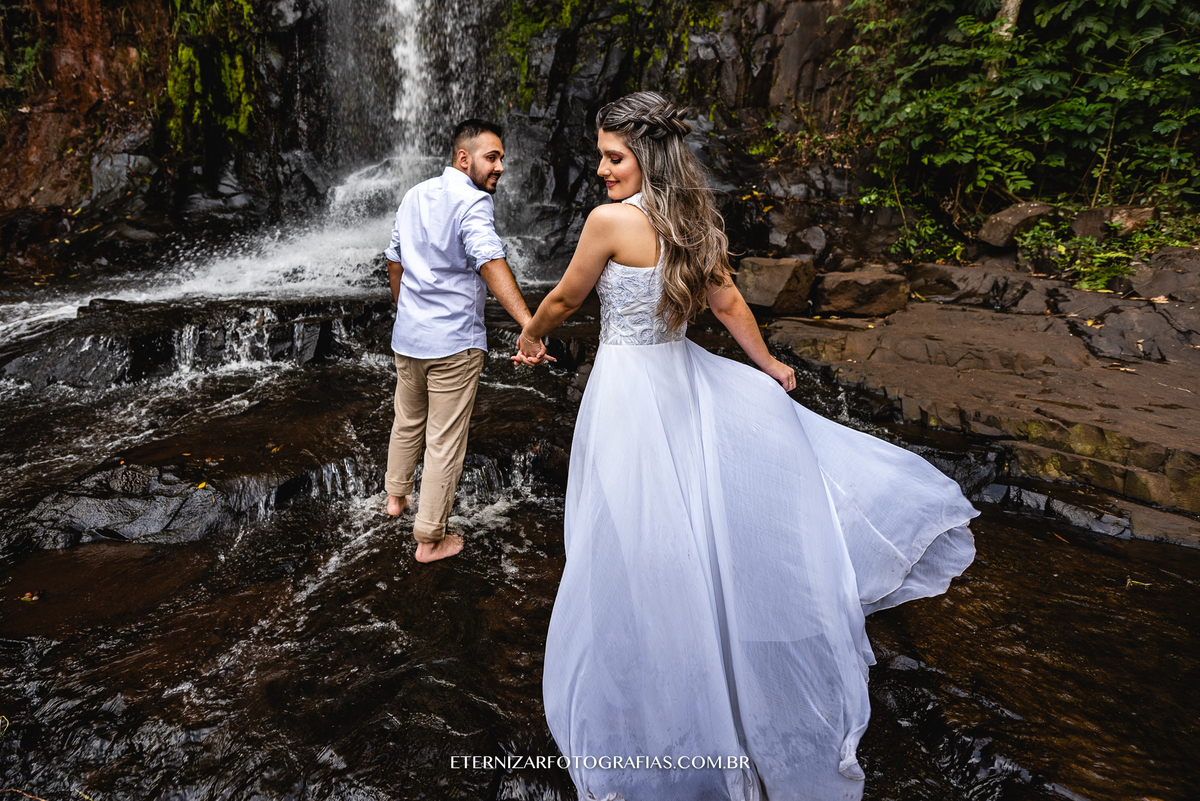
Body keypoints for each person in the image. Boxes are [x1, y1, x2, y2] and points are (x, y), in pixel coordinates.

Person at [516, 92, 979, 800]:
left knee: (633, 538)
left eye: (614, 156)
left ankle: (667, 686)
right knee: (691, 526)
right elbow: (728, 301)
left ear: (646, 155)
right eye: (601, 156)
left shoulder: (609, 222)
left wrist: (531, 333)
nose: (601, 169)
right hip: (680, 383)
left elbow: (565, 298)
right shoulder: (690, 219)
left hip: (629, 395)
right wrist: (766, 365)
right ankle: (715, 677)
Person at [384, 119, 546, 563]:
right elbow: (489, 259)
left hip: (410, 338)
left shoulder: (415, 194)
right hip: (454, 342)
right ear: (463, 158)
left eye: (501, 159)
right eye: (491, 157)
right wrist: (528, 327)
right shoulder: (473, 202)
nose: (500, 167)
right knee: (444, 439)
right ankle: (429, 540)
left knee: (407, 419)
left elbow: (394, 260)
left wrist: (406, 312)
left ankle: (395, 499)